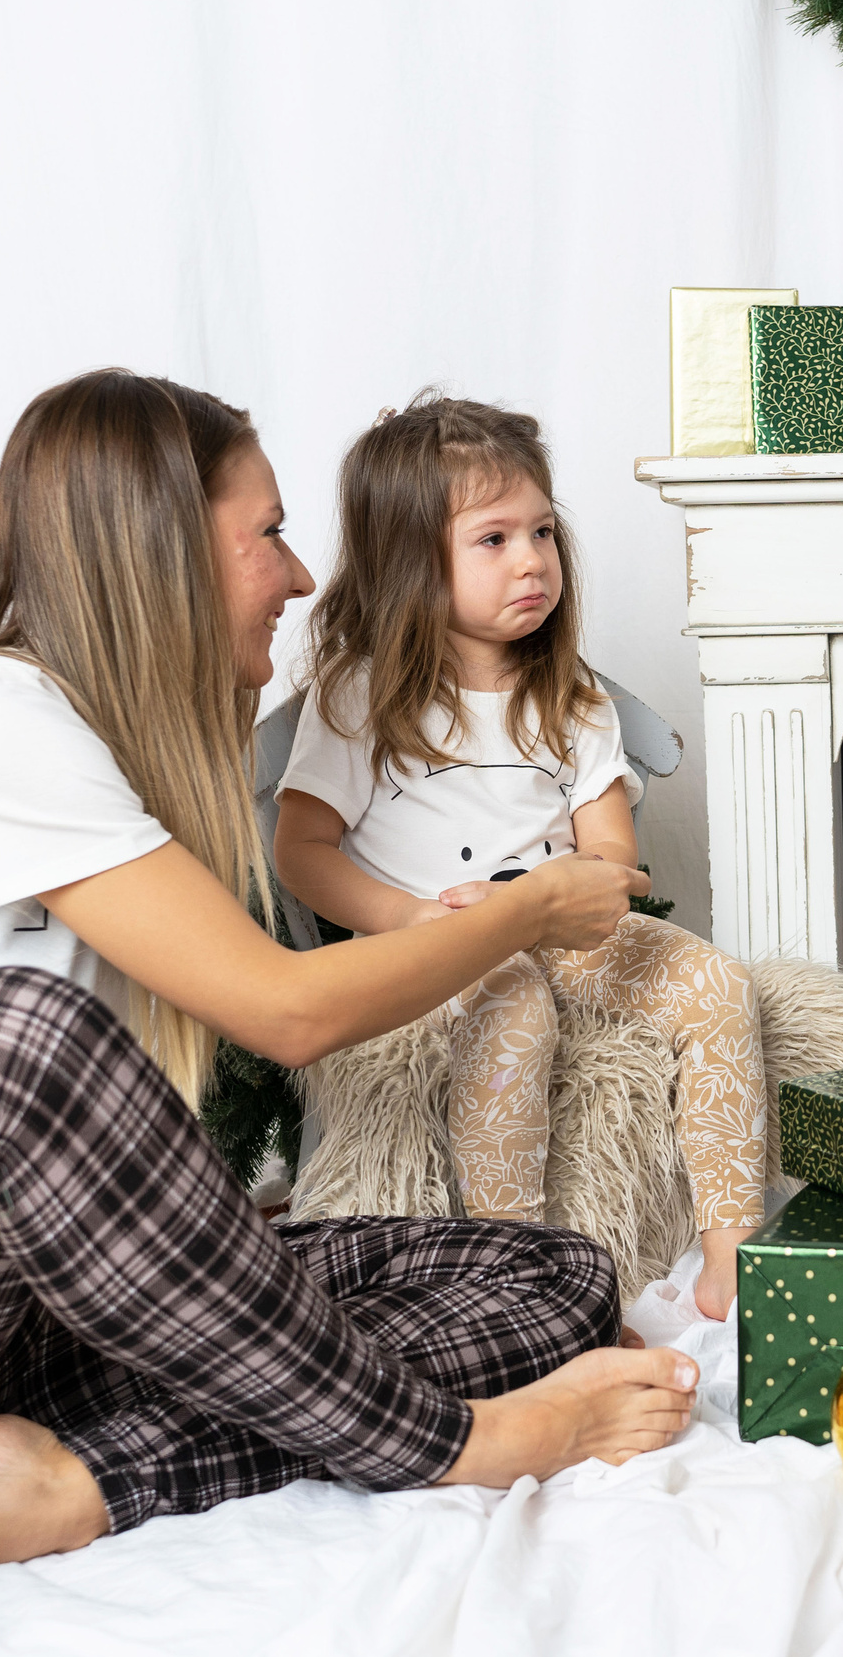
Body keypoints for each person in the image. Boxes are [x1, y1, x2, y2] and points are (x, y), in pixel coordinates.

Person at [0, 370, 702, 1646]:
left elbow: (116, 1164)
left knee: (552, 1279)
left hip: (1, 1335)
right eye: (268, 534)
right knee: (6, 1035)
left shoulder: (108, 770)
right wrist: (525, 910)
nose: (302, 579)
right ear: (162, 554)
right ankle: (450, 1441)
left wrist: (230, 1246)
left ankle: (64, 1480)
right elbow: (288, 1014)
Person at [274, 394, 765, 1319]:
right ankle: (527, 1262)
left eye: (541, 531)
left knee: (718, 986)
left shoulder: (567, 693)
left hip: (563, 923)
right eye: (493, 539)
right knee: (514, 1002)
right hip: (441, 945)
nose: (533, 559)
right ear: (411, 562)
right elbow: (302, 850)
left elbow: (610, 844)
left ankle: (730, 1242)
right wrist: (410, 917)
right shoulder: (360, 695)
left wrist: (597, 882)